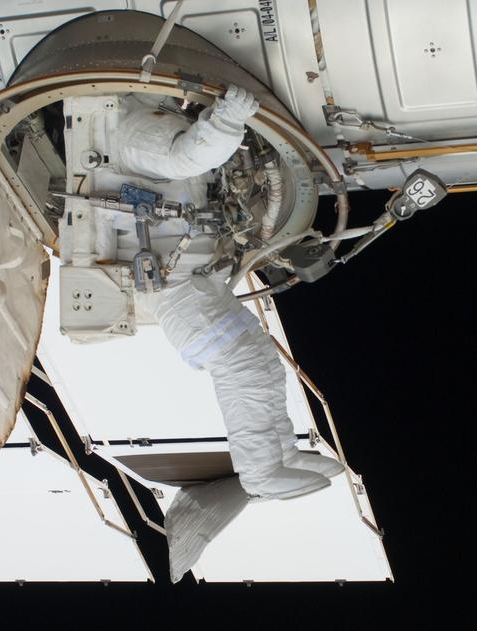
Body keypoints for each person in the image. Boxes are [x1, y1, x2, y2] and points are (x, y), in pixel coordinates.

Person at [71, 85, 343, 500]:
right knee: (244, 369)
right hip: (177, 292)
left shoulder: (142, 125)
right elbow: (185, 156)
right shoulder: (132, 130)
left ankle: (282, 450)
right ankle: (259, 470)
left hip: (189, 285)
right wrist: (228, 118)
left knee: (263, 365)